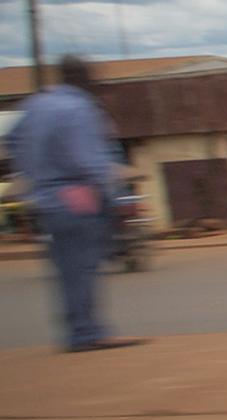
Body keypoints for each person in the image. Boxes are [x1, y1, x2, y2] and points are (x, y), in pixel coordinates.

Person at [6, 55, 140, 352]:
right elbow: (87, 159)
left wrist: (31, 172)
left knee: (67, 268)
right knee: (84, 266)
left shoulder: (37, 104)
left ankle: (78, 329)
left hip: (46, 199)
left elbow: (13, 139)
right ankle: (86, 332)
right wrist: (111, 188)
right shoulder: (79, 108)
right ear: (85, 78)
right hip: (77, 196)